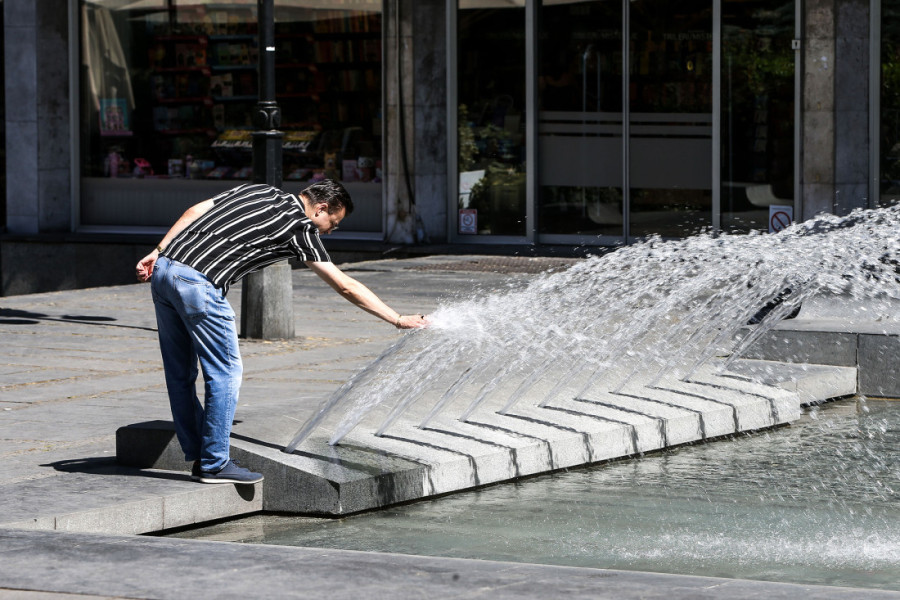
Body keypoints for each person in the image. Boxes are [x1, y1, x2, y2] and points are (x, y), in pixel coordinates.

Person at [135, 180, 428, 485]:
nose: (330, 231)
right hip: (199, 284)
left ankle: (201, 455)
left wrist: (158, 250)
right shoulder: (301, 228)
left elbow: (194, 211)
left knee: (180, 375)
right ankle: (214, 464)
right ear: (320, 209)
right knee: (225, 373)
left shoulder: (259, 190)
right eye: (333, 223)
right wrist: (396, 318)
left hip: (167, 269)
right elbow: (344, 284)